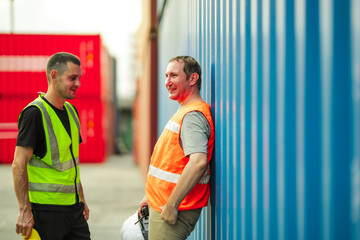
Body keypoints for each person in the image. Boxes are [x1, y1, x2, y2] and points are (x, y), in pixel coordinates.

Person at [12, 52, 91, 240]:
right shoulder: (34, 113)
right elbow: (18, 164)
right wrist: (24, 210)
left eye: (79, 78)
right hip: (46, 213)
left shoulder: (72, 112)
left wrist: (81, 199)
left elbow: (70, 162)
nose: (78, 83)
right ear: (54, 76)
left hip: (74, 210)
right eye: (72, 78)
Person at [138, 56, 215, 240]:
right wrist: (150, 196)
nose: (167, 82)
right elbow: (171, 164)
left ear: (193, 79)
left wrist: (172, 204)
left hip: (173, 209)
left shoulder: (193, 115)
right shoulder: (183, 111)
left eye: (173, 75)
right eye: (166, 76)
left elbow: (198, 162)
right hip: (161, 203)